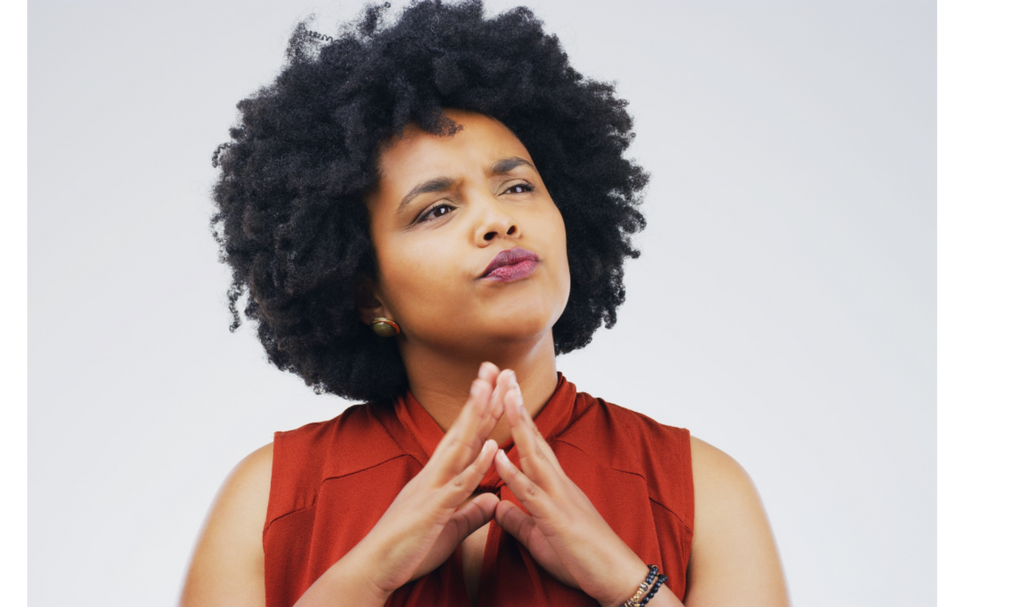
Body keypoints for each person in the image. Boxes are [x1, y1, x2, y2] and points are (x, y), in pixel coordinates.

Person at [181, 2, 788, 606]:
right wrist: (365, 576)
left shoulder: (700, 492)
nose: (498, 220)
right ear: (368, 292)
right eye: (437, 209)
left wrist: (626, 582)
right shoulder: (272, 501)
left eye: (518, 186)